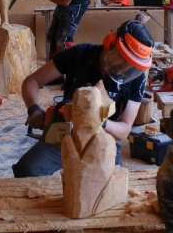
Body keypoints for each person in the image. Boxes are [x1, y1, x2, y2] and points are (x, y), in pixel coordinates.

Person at [14, 19, 154, 177]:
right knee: (27, 170)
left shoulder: (136, 78)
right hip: (66, 132)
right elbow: (32, 81)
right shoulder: (79, 54)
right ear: (110, 42)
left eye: (133, 64)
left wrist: (98, 120)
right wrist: (33, 109)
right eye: (123, 58)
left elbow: (124, 130)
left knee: (111, 183)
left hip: (104, 138)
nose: (126, 67)